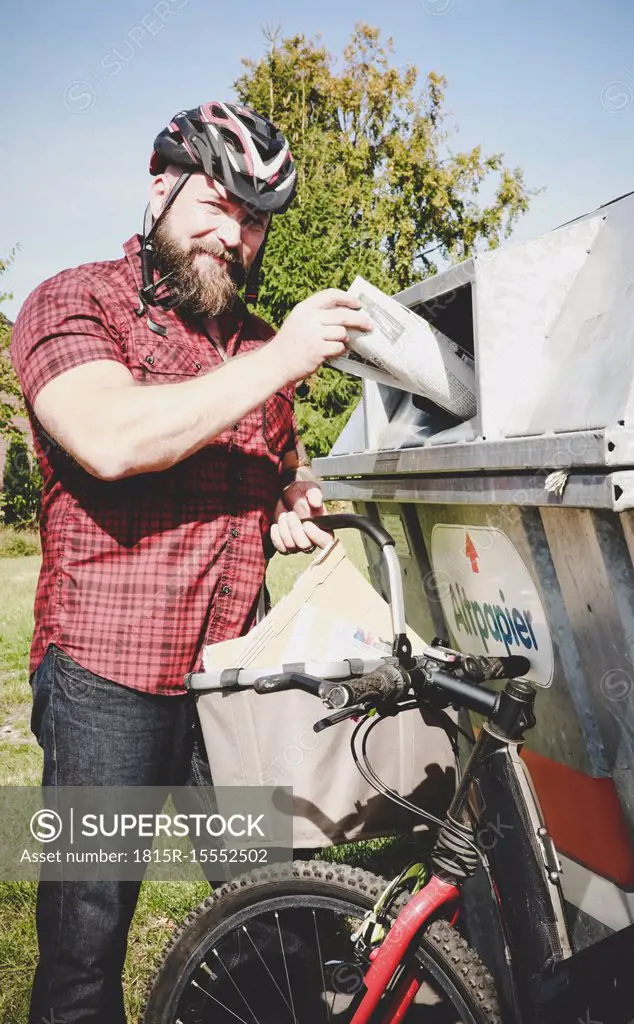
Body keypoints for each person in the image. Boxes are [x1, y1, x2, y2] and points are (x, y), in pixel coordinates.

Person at [10, 100, 372, 1024]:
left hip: (231, 683)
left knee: (269, 929)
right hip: (104, 682)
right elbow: (111, 437)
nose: (236, 234)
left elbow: (274, 469)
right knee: (86, 945)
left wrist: (288, 498)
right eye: (218, 203)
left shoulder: (253, 348)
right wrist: (287, 354)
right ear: (160, 186)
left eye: (254, 219)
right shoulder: (72, 299)